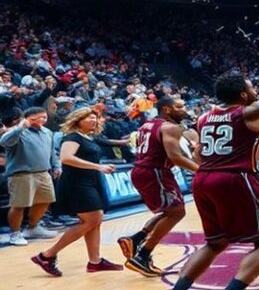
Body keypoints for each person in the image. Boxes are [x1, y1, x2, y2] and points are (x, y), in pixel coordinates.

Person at [170, 42, 259, 290]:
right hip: (234, 179)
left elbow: (198, 153)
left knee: (215, 243)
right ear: (242, 95)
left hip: (203, 179)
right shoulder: (247, 113)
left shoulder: (205, 116)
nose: (255, 91)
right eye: (251, 88)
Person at [31, 107, 123, 276]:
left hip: (89, 181)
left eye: (95, 118)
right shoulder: (72, 137)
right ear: (78, 120)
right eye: (89, 118)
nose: (93, 120)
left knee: (95, 220)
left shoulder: (87, 137)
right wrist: (98, 166)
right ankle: (47, 255)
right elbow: (66, 158)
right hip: (77, 184)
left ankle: (95, 261)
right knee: (92, 220)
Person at [120, 96, 200, 276]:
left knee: (170, 211)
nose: (184, 109)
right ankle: (142, 256)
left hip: (142, 170)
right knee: (177, 212)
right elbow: (176, 157)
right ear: (167, 109)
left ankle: (136, 239)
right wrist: (201, 171)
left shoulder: (147, 124)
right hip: (155, 172)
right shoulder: (171, 127)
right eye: (179, 106)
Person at [0, 106, 60, 246]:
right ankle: (15, 233)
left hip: (43, 172)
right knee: (19, 205)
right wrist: (20, 127)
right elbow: (3, 142)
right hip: (22, 173)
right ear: (27, 118)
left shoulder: (48, 132)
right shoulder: (17, 132)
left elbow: (52, 151)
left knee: (45, 201)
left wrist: (56, 165)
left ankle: (33, 228)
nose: (42, 120)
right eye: (38, 117)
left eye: (44, 117)